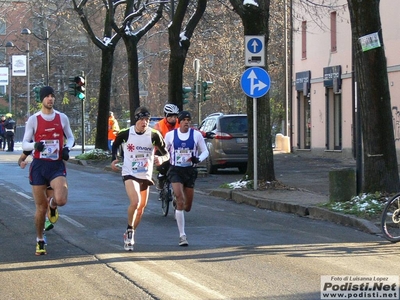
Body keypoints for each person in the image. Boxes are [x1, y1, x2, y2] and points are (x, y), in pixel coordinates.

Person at [22, 86, 75, 256]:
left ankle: (53, 206)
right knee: (40, 208)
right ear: (42, 99)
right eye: (47, 96)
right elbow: (24, 144)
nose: (50, 99)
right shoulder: (34, 119)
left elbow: (71, 137)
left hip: (56, 165)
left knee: (60, 199)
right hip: (39, 166)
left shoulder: (62, 118)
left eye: (52, 96)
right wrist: (34, 145)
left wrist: (67, 148)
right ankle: (40, 239)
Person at [111, 106, 169, 251]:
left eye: (147, 120)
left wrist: (161, 159)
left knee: (141, 208)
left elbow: (166, 154)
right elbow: (115, 145)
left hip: (145, 174)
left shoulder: (154, 135)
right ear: (136, 119)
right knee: (135, 201)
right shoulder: (126, 133)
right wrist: (114, 159)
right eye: (142, 119)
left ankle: (130, 232)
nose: (144, 122)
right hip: (129, 172)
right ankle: (130, 231)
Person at [164, 111, 209, 246]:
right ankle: (182, 235)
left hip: (189, 171)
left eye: (189, 120)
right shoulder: (170, 135)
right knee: (180, 199)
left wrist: (198, 159)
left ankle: (180, 203)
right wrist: (160, 160)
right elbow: (164, 151)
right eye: (184, 120)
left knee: (187, 207)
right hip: (175, 169)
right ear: (179, 121)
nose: (187, 122)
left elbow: (205, 151)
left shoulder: (196, 135)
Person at [18, 151, 55, 233]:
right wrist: (21, 163)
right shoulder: (33, 144)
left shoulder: (56, 141)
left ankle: (47, 219)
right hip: (38, 173)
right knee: (42, 204)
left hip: (53, 172)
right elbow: (21, 158)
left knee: (51, 199)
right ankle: (45, 221)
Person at [153, 104, 180, 191]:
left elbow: (191, 131)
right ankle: (161, 178)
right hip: (161, 150)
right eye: (170, 116)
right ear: (166, 115)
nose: (173, 118)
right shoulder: (159, 126)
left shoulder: (180, 124)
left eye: (175, 116)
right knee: (162, 167)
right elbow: (153, 141)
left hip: (176, 150)